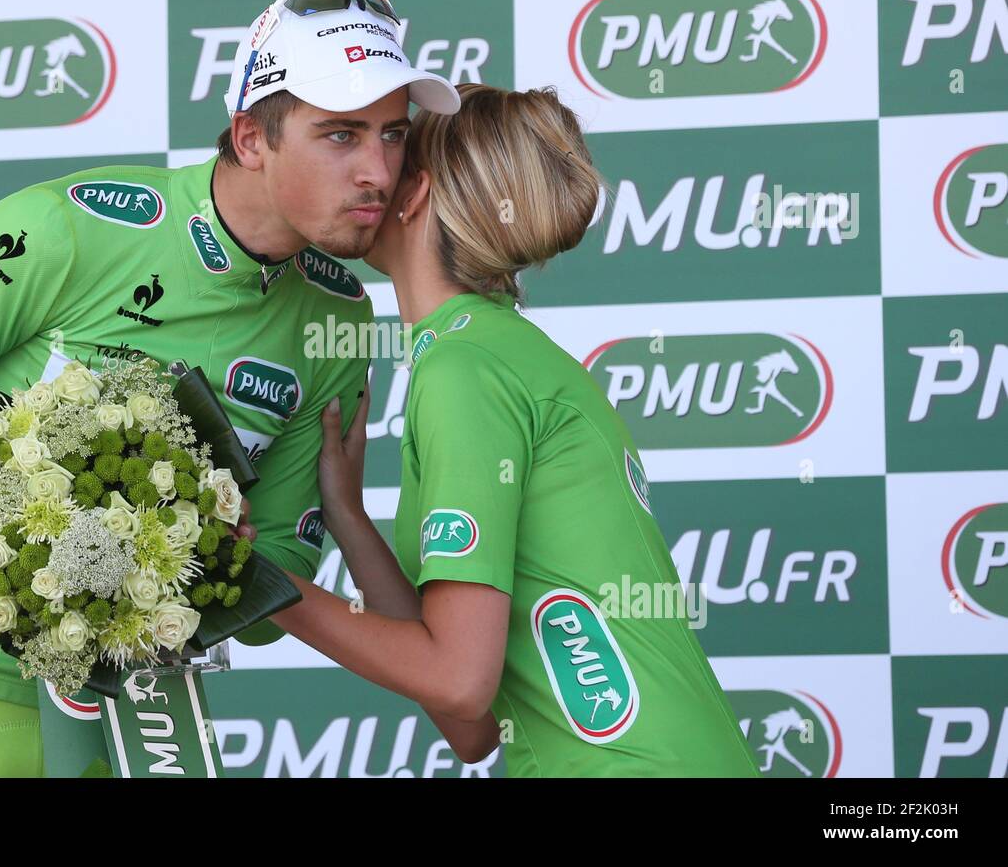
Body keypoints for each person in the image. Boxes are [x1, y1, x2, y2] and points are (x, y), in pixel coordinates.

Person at [0, 0, 460, 777]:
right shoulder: (70, 230)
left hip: (135, 722)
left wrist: (225, 559)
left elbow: (266, 603)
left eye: (393, 135)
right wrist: (1, 520)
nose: (377, 172)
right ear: (251, 137)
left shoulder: (339, 320)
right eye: (340, 135)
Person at [269, 83, 762, 777]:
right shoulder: (488, 351)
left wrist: (258, 584)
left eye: (393, 148)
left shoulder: (465, 370)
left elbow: (460, 683)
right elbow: (472, 727)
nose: (369, 173)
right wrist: (349, 518)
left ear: (414, 194)